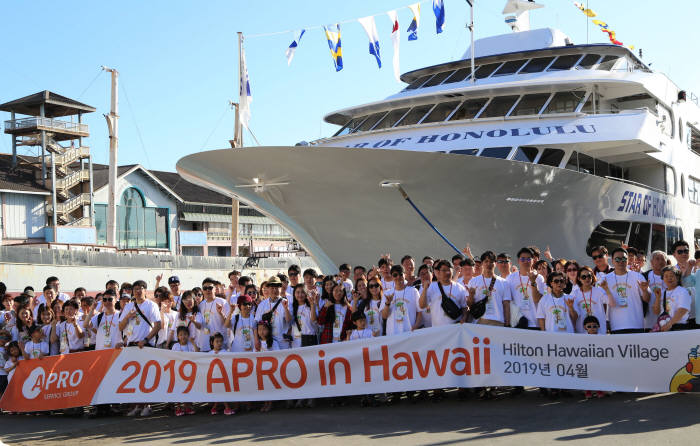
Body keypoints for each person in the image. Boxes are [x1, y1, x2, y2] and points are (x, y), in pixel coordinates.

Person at [599, 248, 649, 334]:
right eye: (617, 259)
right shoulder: (605, 279)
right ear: (612, 261)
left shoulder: (638, 276)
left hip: (636, 325)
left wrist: (645, 291)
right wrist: (605, 323)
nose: (621, 262)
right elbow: (602, 304)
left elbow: (647, 299)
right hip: (616, 326)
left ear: (627, 260)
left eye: (623, 259)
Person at [467, 252, 511, 326]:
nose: (489, 264)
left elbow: (506, 305)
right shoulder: (473, 281)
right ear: (482, 263)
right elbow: (469, 305)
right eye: (486, 261)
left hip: (497, 321)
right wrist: (471, 295)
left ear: (495, 263)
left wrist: (507, 324)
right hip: (478, 321)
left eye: (491, 262)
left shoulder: (504, 282)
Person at [420, 260, 468, 326]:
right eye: (444, 270)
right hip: (438, 330)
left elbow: (464, 307)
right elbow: (422, 306)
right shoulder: (432, 287)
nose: (447, 272)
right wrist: (425, 289)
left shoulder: (460, 288)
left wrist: (464, 318)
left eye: (449, 270)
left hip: (455, 329)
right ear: (439, 272)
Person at [506, 247, 545, 329]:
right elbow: (508, 302)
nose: (525, 261)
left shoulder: (539, 277)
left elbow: (537, 299)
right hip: (517, 322)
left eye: (528, 259)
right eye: (522, 259)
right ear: (518, 261)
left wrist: (533, 281)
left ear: (533, 260)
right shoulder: (510, 278)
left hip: (534, 323)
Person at [381, 265, 421, 335]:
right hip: (392, 334)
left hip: (410, 333)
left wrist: (415, 326)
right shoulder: (387, 293)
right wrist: (387, 303)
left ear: (404, 275)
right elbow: (384, 316)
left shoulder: (413, 291)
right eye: (395, 275)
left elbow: (420, 312)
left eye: (400, 274)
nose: (398, 277)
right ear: (392, 277)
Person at [254, 276, 291, 348]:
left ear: (281, 288)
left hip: (282, 342)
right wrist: (256, 339)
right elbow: (256, 323)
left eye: (277, 288)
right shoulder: (262, 305)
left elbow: (289, 321)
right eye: (272, 288)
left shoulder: (285, 302)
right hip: (266, 342)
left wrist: (286, 309)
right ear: (267, 289)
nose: (274, 290)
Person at [652, 266, 691, 331]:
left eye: (671, 276)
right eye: (666, 276)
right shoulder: (661, 292)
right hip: (665, 327)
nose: (669, 278)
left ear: (677, 278)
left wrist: (669, 324)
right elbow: (656, 312)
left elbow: (683, 310)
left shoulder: (682, 291)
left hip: (679, 327)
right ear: (663, 279)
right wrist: (658, 298)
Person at [570, 266, 606, 334]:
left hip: (599, 331)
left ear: (592, 277)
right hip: (581, 332)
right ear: (579, 278)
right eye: (583, 277)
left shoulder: (600, 291)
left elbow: (611, 304)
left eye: (589, 276)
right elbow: (573, 316)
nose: (587, 278)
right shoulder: (574, 294)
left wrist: (607, 289)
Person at [171, 326, 197, 417]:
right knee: (178, 389)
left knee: (188, 389)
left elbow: (198, 354)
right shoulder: (175, 346)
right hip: (178, 372)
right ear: (177, 336)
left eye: (185, 334)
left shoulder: (190, 345)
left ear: (188, 335)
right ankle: (178, 407)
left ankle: (187, 406)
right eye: (181, 335)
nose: (183, 337)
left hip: (189, 372)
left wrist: (194, 343)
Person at [198, 278, 229, 352]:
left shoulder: (222, 302)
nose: (207, 290)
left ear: (215, 289)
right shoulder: (201, 305)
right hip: (204, 345)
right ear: (202, 291)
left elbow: (228, 324)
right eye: (205, 288)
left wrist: (221, 313)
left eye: (210, 288)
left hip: (219, 346)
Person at [208, 332, 235, 416]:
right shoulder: (209, 354)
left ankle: (215, 408)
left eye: (221, 341)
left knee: (222, 392)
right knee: (220, 392)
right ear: (212, 343)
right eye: (217, 341)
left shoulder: (225, 352)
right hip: (214, 378)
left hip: (223, 377)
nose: (219, 343)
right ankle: (226, 408)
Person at [642, 251, 668, 331]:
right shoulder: (644, 276)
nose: (660, 261)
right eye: (657, 259)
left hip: (667, 321)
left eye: (663, 259)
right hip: (648, 321)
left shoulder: (671, 277)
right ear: (651, 262)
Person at [581, 316, 606, 399]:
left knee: (599, 376)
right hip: (587, 361)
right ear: (585, 327)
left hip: (599, 361)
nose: (592, 328)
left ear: (598, 326)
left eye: (594, 326)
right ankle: (588, 391)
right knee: (588, 376)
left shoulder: (602, 337)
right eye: (589, 326)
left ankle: (599, 390)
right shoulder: (581, 338)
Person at [256, 321, 278, 413]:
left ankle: (270, 403)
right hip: (261, 369)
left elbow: (278, 355)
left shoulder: (274, 342)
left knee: (270, 387)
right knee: (264, 388)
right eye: (259, 329)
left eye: (264, 329)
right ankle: (265, 402)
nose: (261, 331)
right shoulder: (257, 343)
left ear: (269, 330)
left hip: (270, 369)